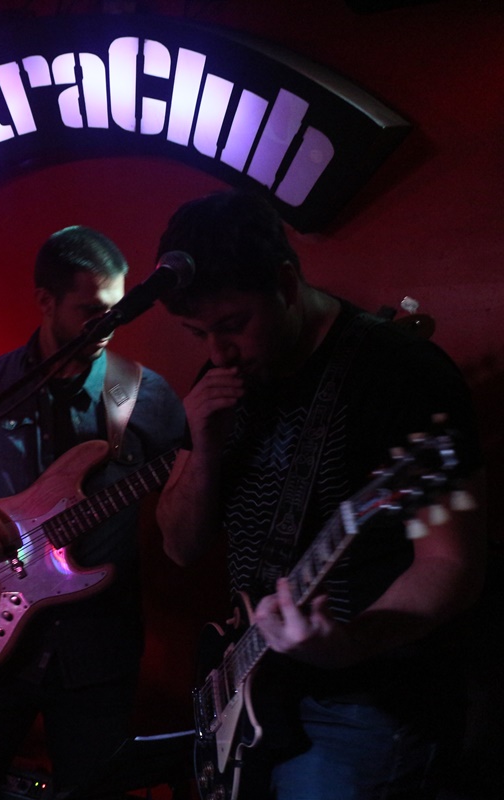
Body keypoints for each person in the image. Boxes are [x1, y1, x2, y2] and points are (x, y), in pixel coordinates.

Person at [154, 189, 484, 799]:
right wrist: (204, 447)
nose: (218, 352)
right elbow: (179, 546)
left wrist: (348, 643)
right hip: (248, 685)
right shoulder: (220, 378)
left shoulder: (402, 371)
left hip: (362, 704)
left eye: (232, 325)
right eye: (198, 333)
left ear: (285, 283)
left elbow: (453, 564)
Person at [0, 226, 186, 798]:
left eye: (116, 309)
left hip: (96, 652)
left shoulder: (144, 395)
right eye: (91, 311)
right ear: (45, 300)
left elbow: (194, 488)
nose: (108, 325)